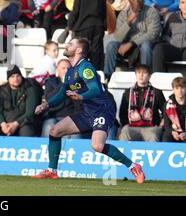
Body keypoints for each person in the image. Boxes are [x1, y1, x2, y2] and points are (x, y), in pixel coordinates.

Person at [33, 38, 145, 183]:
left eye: (71, 44)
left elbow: (95, 89)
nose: (67, 45)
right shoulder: (70, 72)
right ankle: (52, 170)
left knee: (97, 146)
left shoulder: (85, 67)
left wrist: (81, 96)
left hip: (102, 110)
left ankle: (133, 166)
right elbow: (62, 94)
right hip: (88, 112)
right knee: (55, 131)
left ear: (79, 50)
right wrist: (46, 105)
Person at [104, 0, 161, 80]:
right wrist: (130, 19)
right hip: (125, 46)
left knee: (146, 45)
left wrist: (132, 43)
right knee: (111, 45)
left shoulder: (151, 12)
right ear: (129, 0)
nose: (136, 0)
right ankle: (108, 77)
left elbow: (153, 33)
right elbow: (118, 37)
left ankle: (145, 77)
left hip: (142, 45)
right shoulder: (123, 14)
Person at [68, 0, 107, 70]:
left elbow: (75, 11)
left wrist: (70, 26)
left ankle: (81, 76)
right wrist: (104, 27)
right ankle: (95, 76)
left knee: (82, 53)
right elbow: (104, 11)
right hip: (98, 27)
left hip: (83, 27)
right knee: (96, 54)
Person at [0, 65, 39, 137]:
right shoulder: (1, 89)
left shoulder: (29, 89)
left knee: (27, 131)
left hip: (23, 122)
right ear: (8, 79)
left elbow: (30, 112)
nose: (16, 79)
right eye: (12, 76)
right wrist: (3, 124)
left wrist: (15, 124)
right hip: (5, 122)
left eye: (18, 76)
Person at [118, 64, 165, 142]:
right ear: (135, 75)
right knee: (124, 133)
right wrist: (125, 124)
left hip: (151, 128)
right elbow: (122, 112)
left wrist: (160, 126)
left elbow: (165, 112)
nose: (141, 75)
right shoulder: (128, 92)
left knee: (153, 136)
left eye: (144, 73)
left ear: (149, 76)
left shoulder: (157, 92)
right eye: (138, 72)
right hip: (131, 127)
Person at [39, 59, 83, 138]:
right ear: (57, 70)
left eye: (68, 69)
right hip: (53, 116)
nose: (66, 71)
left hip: (71, 117)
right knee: (49, 126)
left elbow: (80, 104)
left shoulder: (77, 84)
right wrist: (63, 84)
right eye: (63, 68)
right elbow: (49, 99)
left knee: (76, 133)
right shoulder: (50, 82)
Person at [152, 0, 186, 72]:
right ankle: (157, 80)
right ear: (179, 5)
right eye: (182, 3)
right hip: (174, 48)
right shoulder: (172, 17)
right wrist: (171, 41)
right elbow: (165, 35)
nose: (185, 5)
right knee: (158, 48)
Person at [163, 77, 186, 142]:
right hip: (174, 132)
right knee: (166, 137)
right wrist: (172, 132)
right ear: (173, 89)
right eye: (177, 88)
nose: (180, 91)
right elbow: (166, 125)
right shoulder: (167, 104)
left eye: (182, 88)